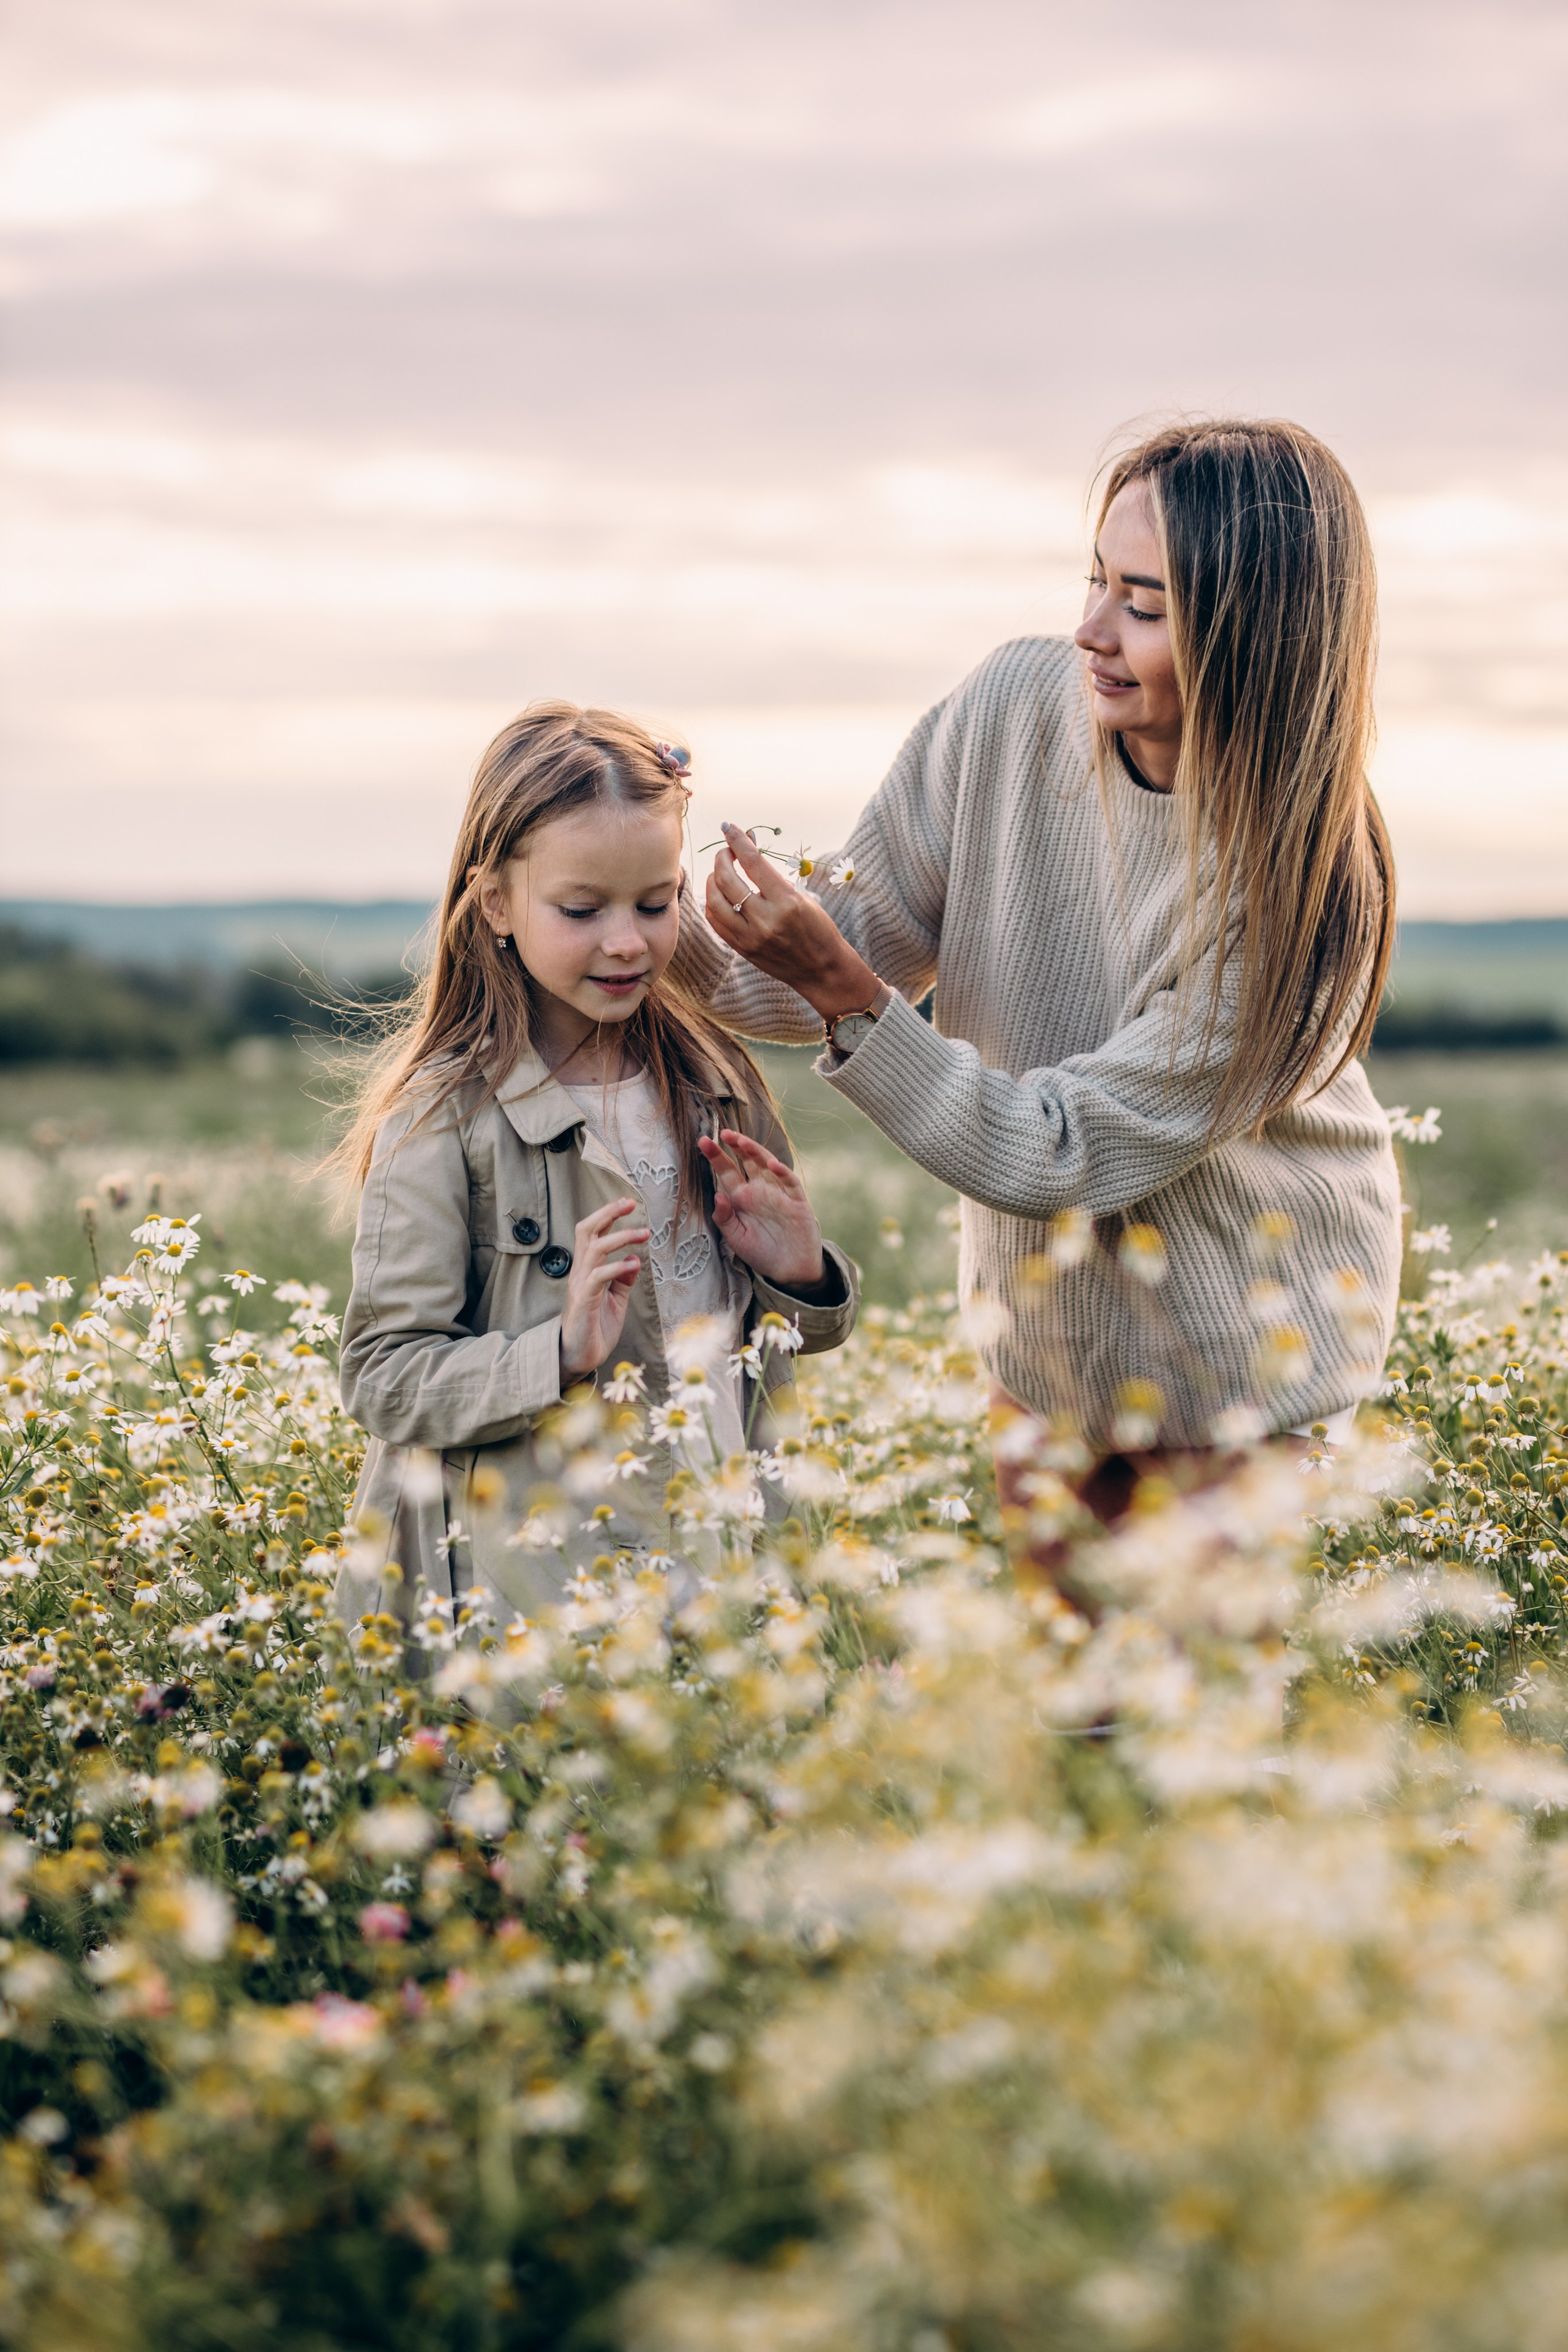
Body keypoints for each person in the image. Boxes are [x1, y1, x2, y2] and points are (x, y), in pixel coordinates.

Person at [673, 417, 1402, 1581]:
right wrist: (640, 908)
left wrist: (842, 990)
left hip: (1246, 1378)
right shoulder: (1014, 705)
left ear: (1255, 639)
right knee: (1072, 1737)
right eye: (1097, 582)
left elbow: (1054, 1153)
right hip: (1049, 1351)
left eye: (1146, 607)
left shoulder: (1304, 886)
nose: (1092, 633)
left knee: (1195, 1744)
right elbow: (851, 944)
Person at [331, 702, 858, 1630]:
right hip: (536, 1594)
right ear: (495, 902)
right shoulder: (446, 1113)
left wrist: (802, 1277)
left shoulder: (715, 1077)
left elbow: (780, 1339)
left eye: (657, 905)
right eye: (582, 911)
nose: (627, 941)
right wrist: (558, 1355)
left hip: (724, 1552)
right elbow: (382, 1377)